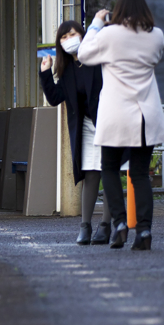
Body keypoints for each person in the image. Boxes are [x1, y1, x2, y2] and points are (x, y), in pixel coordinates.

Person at [78, 0, 164, 250]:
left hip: (116, 113)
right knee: (140, 174)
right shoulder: (157, 35)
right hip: (145, 114)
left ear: (118, 11)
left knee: (109, 169)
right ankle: (145, 230)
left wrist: (96, 23)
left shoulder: (109, 34)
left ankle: (118, 223)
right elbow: (156, 59)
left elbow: (83, 54)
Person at [40, 20, 110, 245]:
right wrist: (45, 73)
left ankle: (106, 225)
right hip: (86, 126)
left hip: (107, 122)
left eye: (73, 34)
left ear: (83, 35)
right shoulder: (66, 69)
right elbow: (54, 98)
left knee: (107, 172)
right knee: (90, 174)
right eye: (64, 37)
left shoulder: (98, 60)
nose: (69, 39)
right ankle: (85, 226)